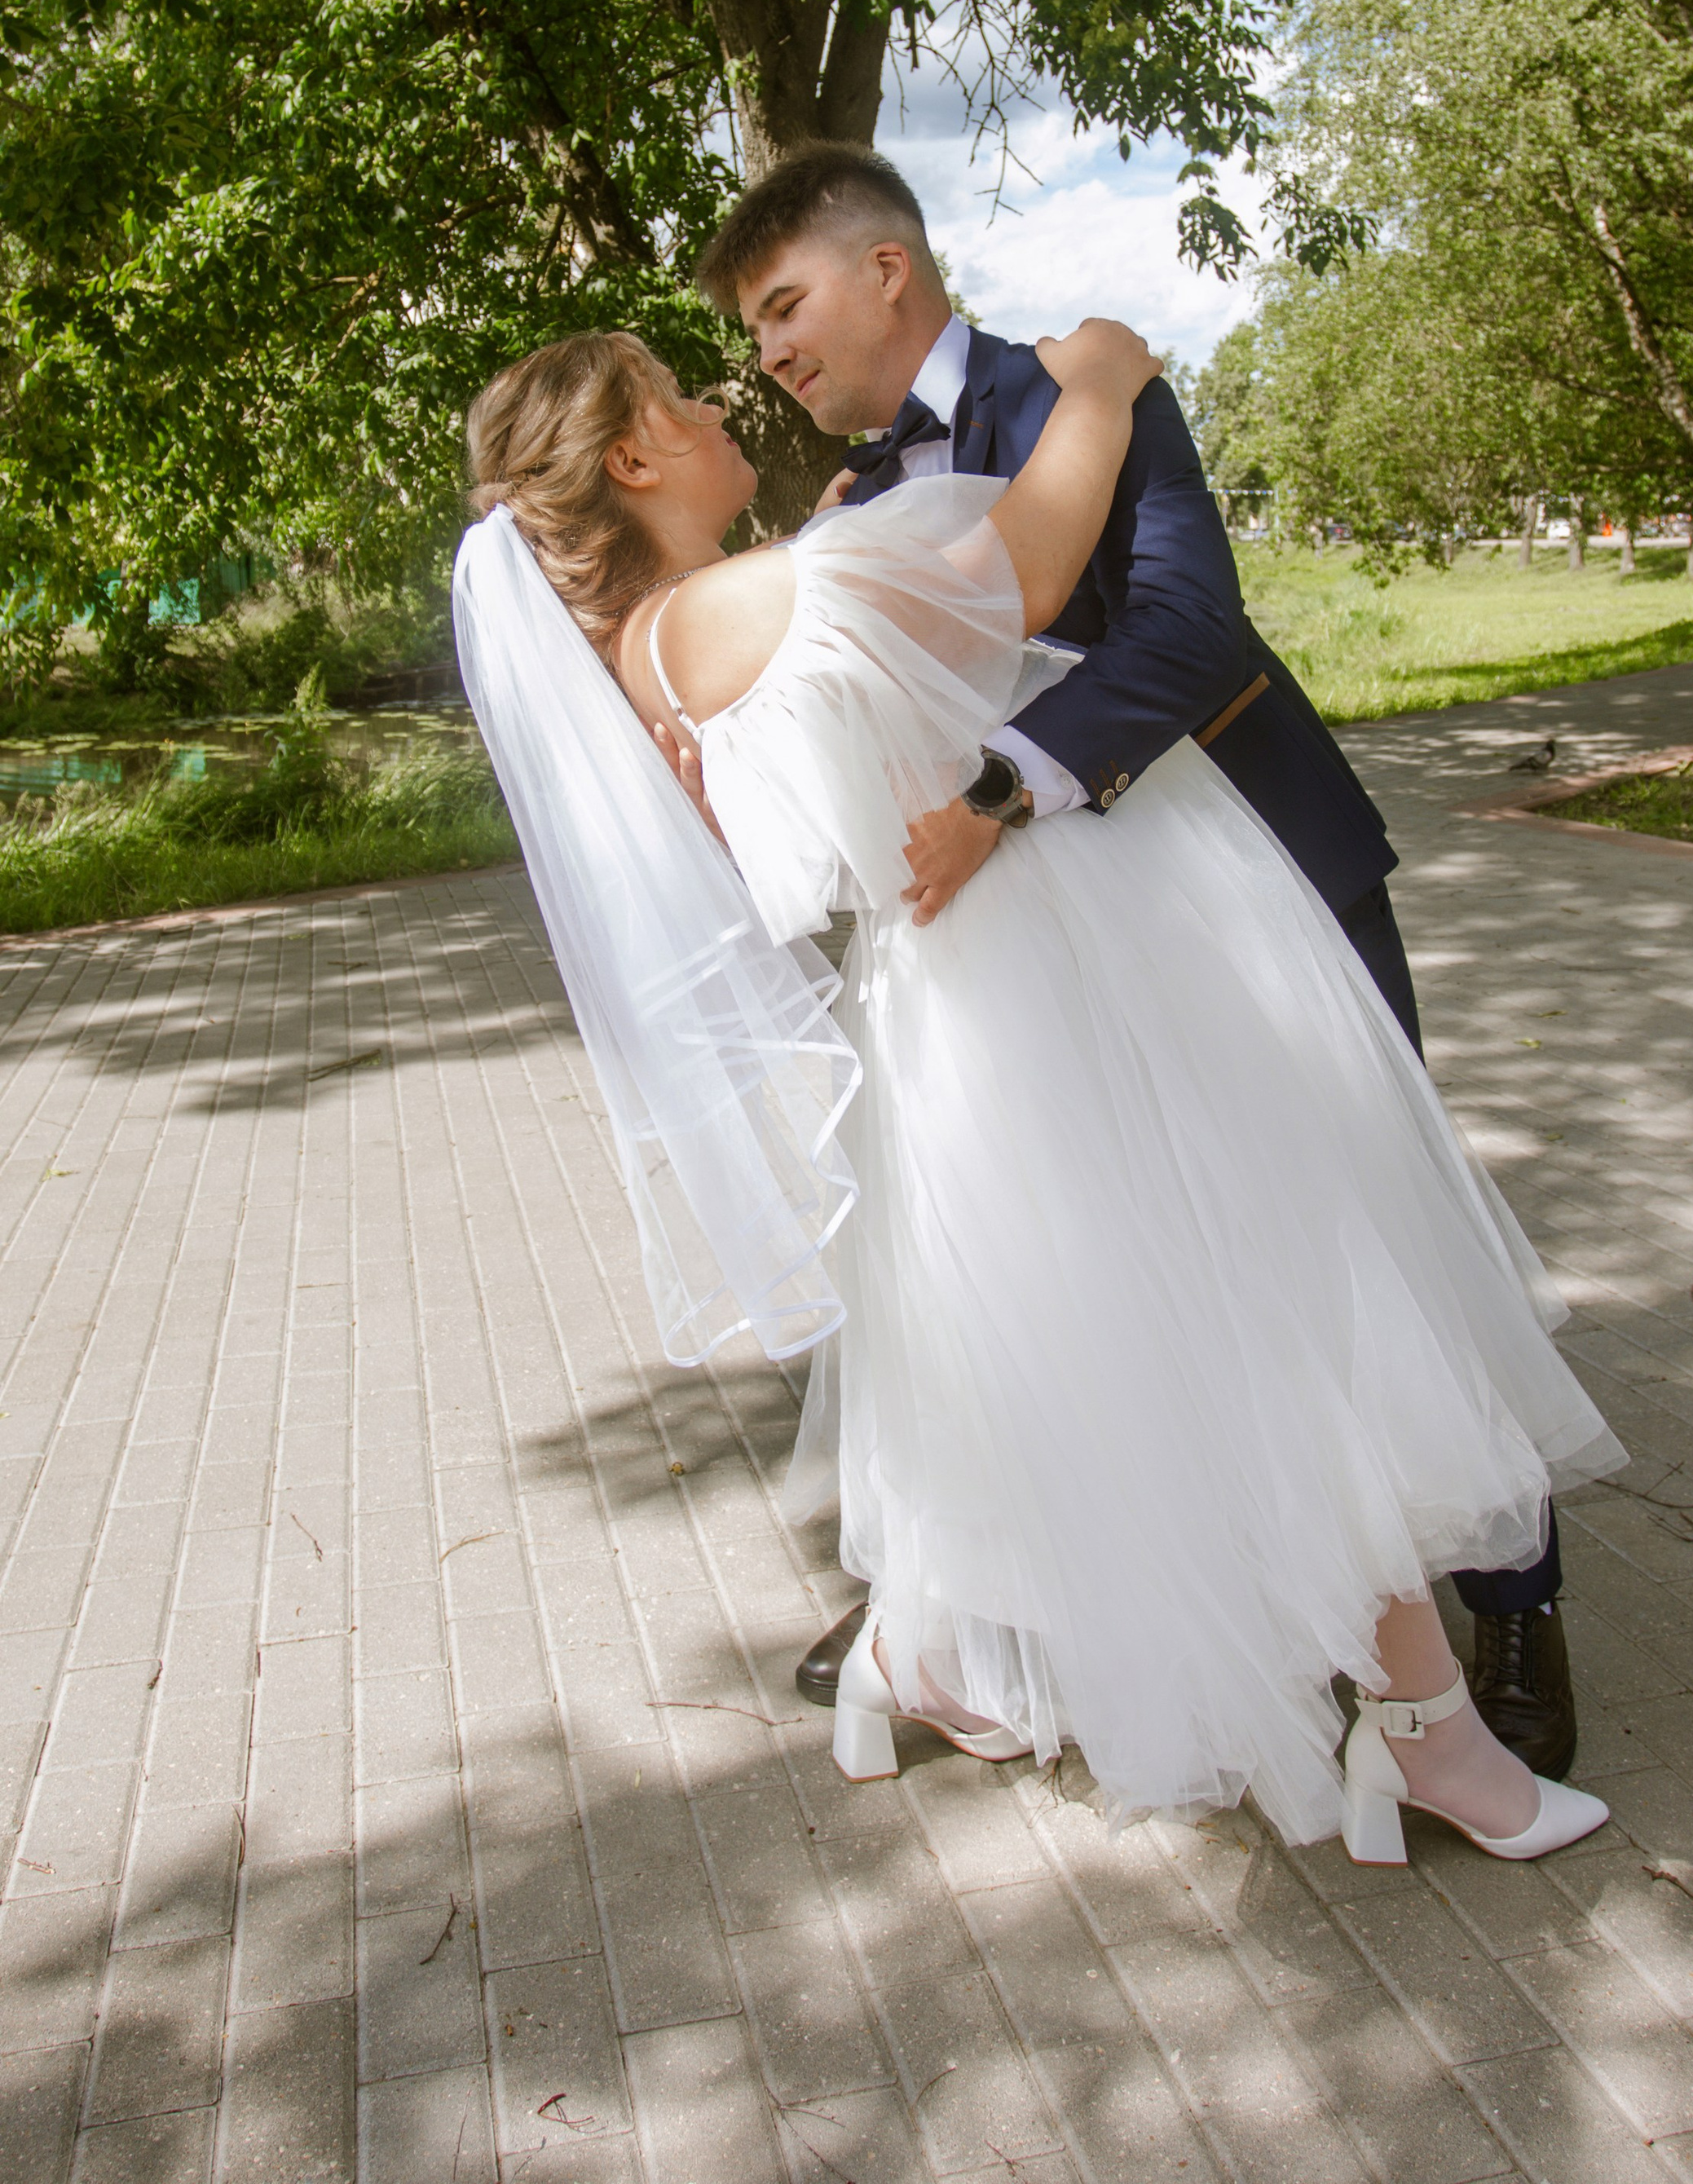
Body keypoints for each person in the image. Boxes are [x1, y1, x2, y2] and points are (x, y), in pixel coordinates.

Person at [456, 314, 1624, 1861]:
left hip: (986, 995)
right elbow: (1031, 563)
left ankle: (930, 1656)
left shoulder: (677, 635)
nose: (718, 396)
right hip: (1036, 999)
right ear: (634, 457)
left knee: (1168, 1326)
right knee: (1256, 1311)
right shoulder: (725, 608)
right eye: (677, 394)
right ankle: (1420, 1731)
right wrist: (1103, 380)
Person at [697, 143, 1581, 1775]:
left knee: (1373, 1232)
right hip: (1059, 952)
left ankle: (1508, 1591)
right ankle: (973, 1598)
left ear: (885, 266)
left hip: (1256, 878)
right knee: (1120, 1255)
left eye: (781, 305)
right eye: (752, 333)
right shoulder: (858, 496)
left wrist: (996, 792)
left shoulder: (1084, 386)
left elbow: (1187, 632)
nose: (768, 352)